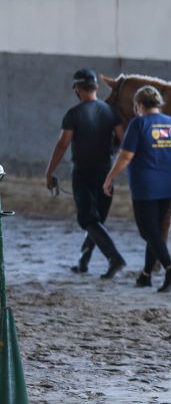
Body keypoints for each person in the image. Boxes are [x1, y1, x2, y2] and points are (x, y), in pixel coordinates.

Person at [103, 86, 171, 292]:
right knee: (155, 231)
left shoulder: (138, 123)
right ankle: (146, 275)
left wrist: (110, 177)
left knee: (148, 231)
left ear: (138, 105)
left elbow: (126, 156)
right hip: (167, 185)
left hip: (145, 186)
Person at [45, 68, 127, 277]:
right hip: (106, 172)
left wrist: (49, 171)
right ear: (96, 87)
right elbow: (124, 141)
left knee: (89, 219)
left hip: (83, 173)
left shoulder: (73, 114)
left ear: (78, 89)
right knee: (96, 219)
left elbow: (63, 144)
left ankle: (114, 257)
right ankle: (83, 261)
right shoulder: (110, 112)